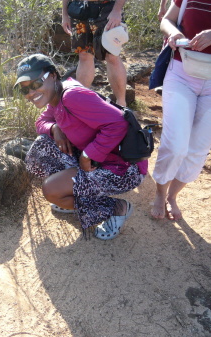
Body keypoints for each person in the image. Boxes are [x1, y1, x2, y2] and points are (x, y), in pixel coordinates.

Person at [15, 54, 148, 240]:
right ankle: (77, 193)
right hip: (102, 160)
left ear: (53, 75)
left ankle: (118, 209)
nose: (30, 92)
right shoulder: (56, 98)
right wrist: (54, 128)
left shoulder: (71, 96)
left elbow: (118, 123)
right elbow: (41, 122)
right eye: (25, 89)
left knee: (51, 191)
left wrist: (88, 155)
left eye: (36, 83)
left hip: (124, 169)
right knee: (43, 146)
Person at [150, 0, 211, 220]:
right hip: (182, 72)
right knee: (176, 145)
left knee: (198, 149)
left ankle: (172, 195)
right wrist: (173, 33)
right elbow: (167, 19)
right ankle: (160, 192)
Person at [61, 0, 128, 106]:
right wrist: (64, 14)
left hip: (108, 8)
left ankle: (122, 105)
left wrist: (117, 10)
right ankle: (81, 105)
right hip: (80, 8)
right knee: (84, 55)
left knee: (111, 55)